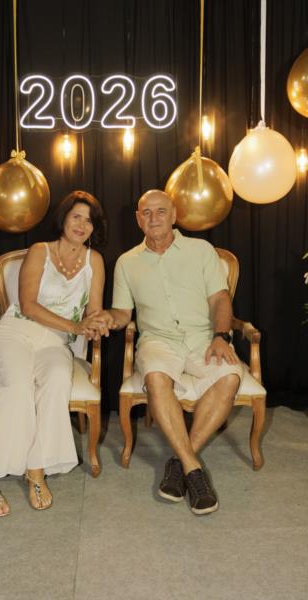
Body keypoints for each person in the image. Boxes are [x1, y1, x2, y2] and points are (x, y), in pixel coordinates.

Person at [92, 189, 243, 516]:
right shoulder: (127, 262)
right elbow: (122, 313)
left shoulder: (201, 251)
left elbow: (220, 298)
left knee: (230, 376)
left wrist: (221, 336)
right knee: (156, 377)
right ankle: (194, 470)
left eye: (161, 211)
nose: (154, 218)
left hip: (203, 337)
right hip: (158, 341)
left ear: (174, 215)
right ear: (138, 219)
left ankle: (179, 462)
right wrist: (108, 318)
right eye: (146, 213)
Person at [0, 190, 107, 517]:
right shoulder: (39, 251)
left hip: (55, 343)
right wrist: (76, 327)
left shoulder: (95, 261)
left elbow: (93, 311)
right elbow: (29, 305)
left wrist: (98, 323)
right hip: (17, 331)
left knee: (58, 380)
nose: (82, 225)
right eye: (76, 217)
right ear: (63, 219)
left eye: (89, 221)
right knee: (18, 386)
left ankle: (36, 470)